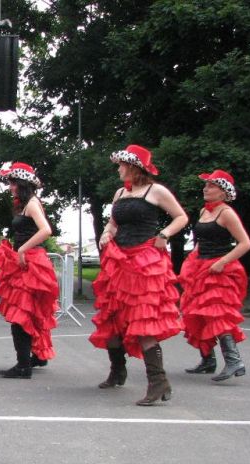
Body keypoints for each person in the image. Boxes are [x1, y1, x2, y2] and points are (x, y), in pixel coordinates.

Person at [90, 144, 188, 406]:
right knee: (112, 317)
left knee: (143, 321)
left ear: (134, 167)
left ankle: (158, 382)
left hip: (145, 261)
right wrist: (106, 233)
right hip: (119, 261)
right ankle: (117, 371)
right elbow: (113, 223)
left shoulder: (156, 191)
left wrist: (164, 234)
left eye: (122, 165)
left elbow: (181, 217)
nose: (119, 169)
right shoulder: (120, 192)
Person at [179, 170, 250, 381]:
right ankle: (208, 360)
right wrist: (193, 258)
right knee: (196, 313)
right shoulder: (204, 210)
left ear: (223, 192)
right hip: (201, 266)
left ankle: (234, 361)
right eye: (206, 185)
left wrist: (222, 262)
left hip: (220, 270)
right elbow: (201, 241)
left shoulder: (226, 213)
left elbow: (245, 243)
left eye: (211, 186)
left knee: (217, 314)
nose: (206, 188)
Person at [0, 162, 58, 379]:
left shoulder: (31, 204)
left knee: (20, 314)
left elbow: (46, 230)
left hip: (31, 263)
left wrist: (22, 248)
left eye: (13, 183)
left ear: (22, 184)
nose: (10, 187)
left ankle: (23, 366)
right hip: (27, 261)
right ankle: (37, 356)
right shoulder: (27, 204)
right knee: (30, 312)